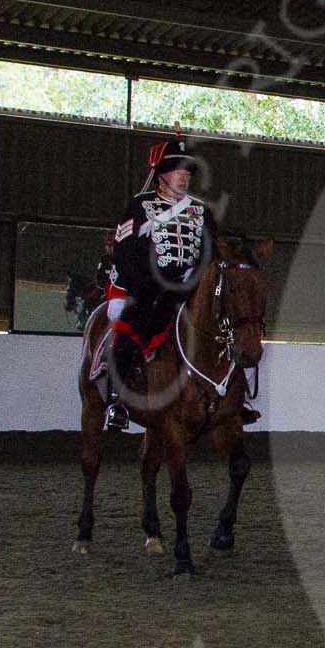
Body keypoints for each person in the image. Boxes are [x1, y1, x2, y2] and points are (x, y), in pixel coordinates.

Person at [100, 137, 217, 431]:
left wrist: (196, 279)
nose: (184, 176)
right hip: (148, 286)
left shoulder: (202, 211)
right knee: (130, 330)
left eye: (189, 172)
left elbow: (210, 252)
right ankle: (117, 400)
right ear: (162, 173)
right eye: (178, 169)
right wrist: (134, 286)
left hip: (190, 286)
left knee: (223, 328)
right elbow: (125, 250)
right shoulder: (141, 205)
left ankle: (229, 397)